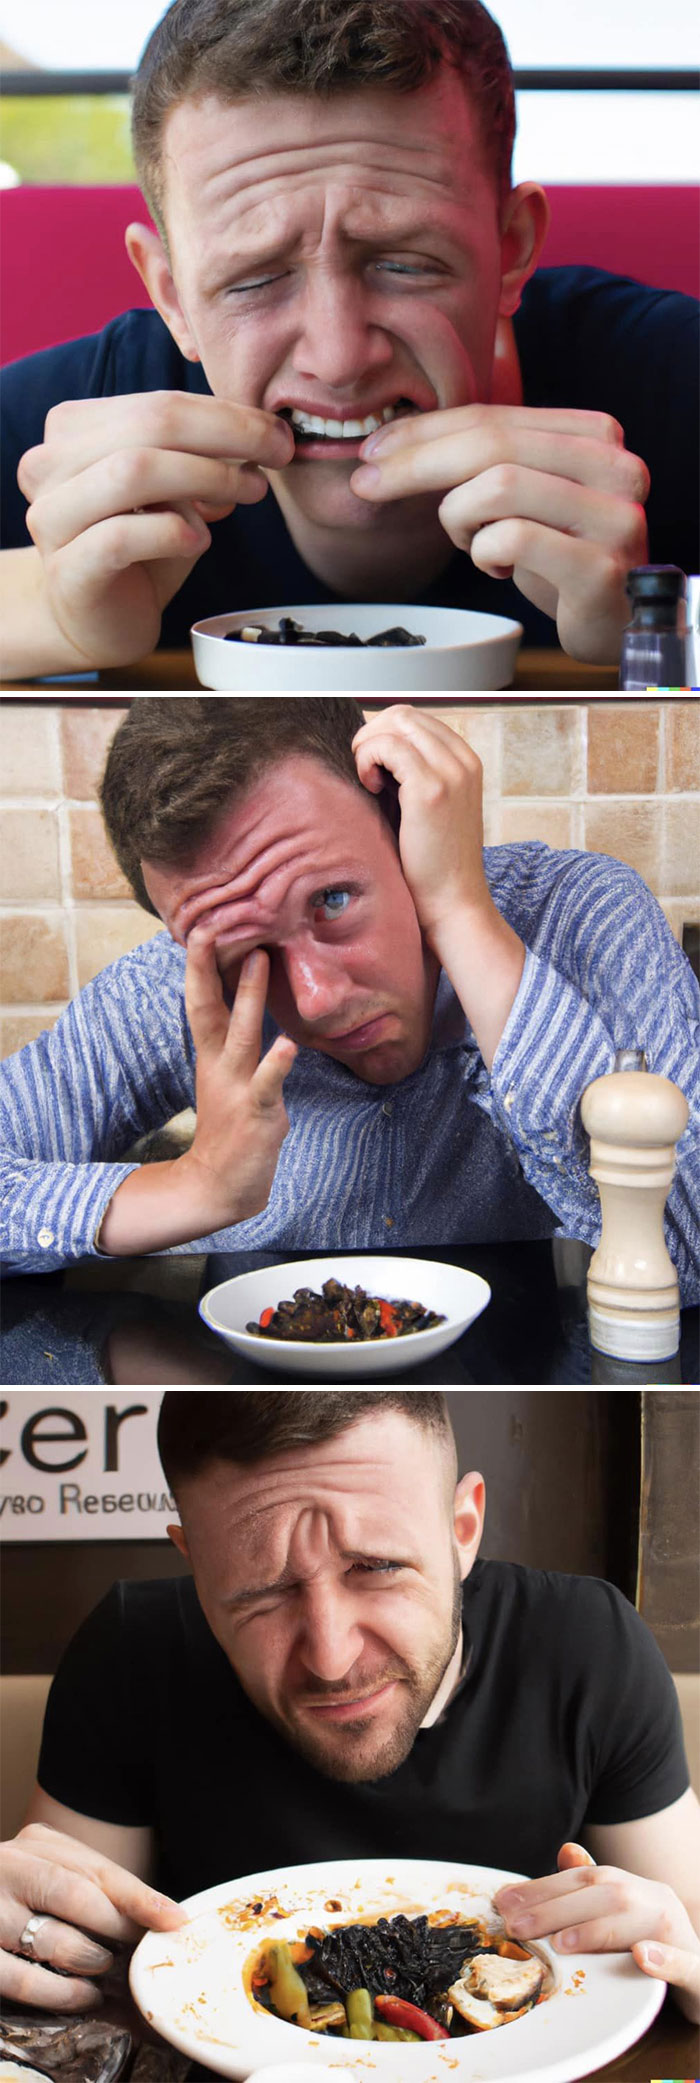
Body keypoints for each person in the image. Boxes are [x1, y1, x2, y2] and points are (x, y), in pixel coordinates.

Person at [2, 0, 698, 680]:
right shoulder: (54, 434)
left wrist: (668, 630)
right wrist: (49, 609)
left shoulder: (676, 379)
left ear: (511, 249)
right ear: (172, 296)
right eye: (253, 279)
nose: (337, 361)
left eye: (404, 263)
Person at [1, 1391, 699, 2025]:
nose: (331, 1658)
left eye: (376, 1567)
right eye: (261, 1593)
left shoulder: (588, 1644)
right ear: (195, 1564)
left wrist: (687, 1962)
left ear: (463, 1528)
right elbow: (53, 1993)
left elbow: (690, 1958)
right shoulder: (132, 1651)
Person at [2, 700, 699, 1285]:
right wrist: (197, 1185)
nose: (315, 1000)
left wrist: (459, 910)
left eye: (333, 899)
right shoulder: (175, 986)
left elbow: (687, 1248)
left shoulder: (578, 914)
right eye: (248, 953)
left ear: (401, 823)